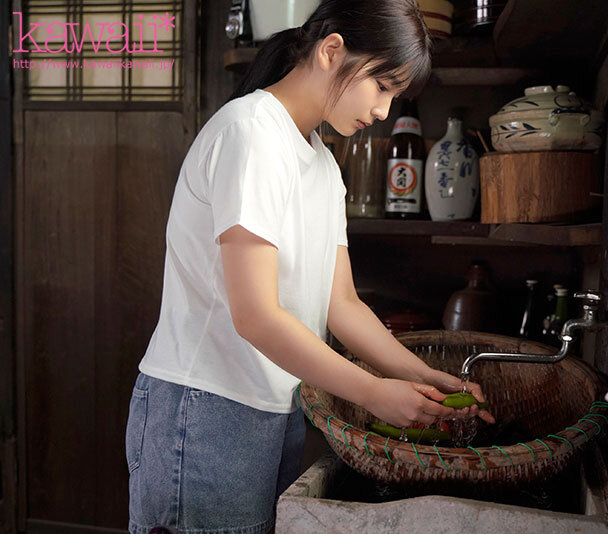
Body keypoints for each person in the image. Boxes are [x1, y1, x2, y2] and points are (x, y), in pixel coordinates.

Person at [124, 1, 494, 533]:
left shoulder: (322, 164)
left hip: (276, 405)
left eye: (394, 95)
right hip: (204, 408)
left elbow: (340, 304)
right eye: (381, 86)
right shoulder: (251, 133)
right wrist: (372, 392)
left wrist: (426, 379)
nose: (384, 111)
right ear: (331, 51)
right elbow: (255, 316)